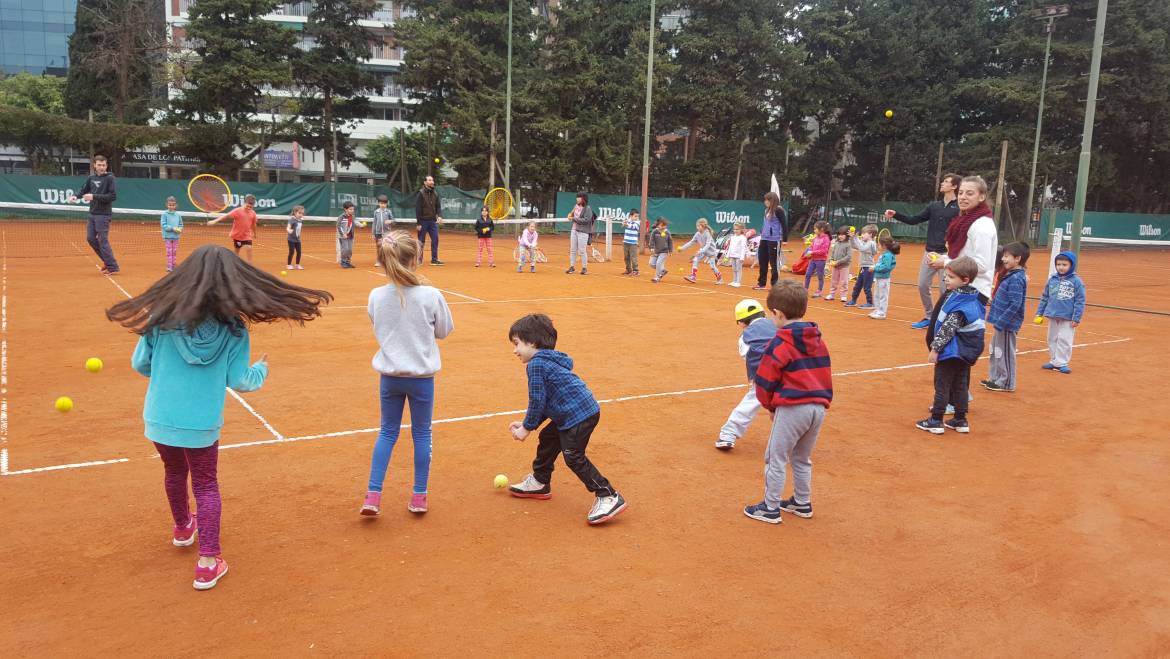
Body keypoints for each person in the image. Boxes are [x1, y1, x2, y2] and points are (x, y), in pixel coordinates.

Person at [106, 244, 331, 590]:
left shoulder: (161, 318)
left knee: (174, 471)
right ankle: (208, 561)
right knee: (206, 484)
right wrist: (262, 370)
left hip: (160, 418)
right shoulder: (235, 330)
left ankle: (183, 528)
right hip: (202, 425)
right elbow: (241, 381)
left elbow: (140, 365)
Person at [361, 231, 454, 517]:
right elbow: (444, 331)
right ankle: (419, 496)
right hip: (422, 380)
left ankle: (373, 496)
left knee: (387, 433)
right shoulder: (431, 295)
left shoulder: (376, 295)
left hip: (389, 378)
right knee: (422, 434)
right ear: (414, 259)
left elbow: (377, 323)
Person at [505, 313, 626, 525]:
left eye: (517, 344)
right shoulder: (546, 361)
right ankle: (541, 481)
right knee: (548, 438)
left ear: (532, 342)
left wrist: (525, 429)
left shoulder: (536, 365)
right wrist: (528, 425)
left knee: (573, 456)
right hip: (575, 411)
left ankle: (608, 495)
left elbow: (536, 400)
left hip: (579, 415)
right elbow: (545, 402)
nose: (514, 350)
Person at [745, 280, 832, 524]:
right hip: (818, 407)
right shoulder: (817, 339)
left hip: (793, 408)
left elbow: (765, 380)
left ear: (778, 314)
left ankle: (770, 507)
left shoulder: (781, 342)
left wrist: (771, 406)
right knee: (802, 458)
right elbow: (825, 371)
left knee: (776, 457)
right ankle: (802, 503)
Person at [917, 256, 985, 435]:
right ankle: (960, 420)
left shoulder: (959, 303)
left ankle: (936, 420)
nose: (946, 279)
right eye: (946, 276)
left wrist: (935, 349)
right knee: (960, 385)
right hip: (965, 352)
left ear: (965, 280)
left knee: (943, 385)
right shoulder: (972, 297)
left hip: (952, 352)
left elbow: (947, 329)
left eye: (951, 277)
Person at [885, 173, 962, 328]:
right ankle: (929, 316)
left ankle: (943, 319)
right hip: (930, 253)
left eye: (946, 182)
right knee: (922, 285)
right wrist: (896, 215)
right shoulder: (934, 206)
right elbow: (914, 220)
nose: (942, 183)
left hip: (947, 255)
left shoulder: (959, 207)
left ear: (954, 186)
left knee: (944, 289)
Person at [715, 298, 777, 450]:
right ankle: (792, 439)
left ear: (742, 322)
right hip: (790, 370)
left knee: (752, 400)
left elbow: (750, 356)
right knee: (786, 405)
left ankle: (728, 434)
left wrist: (754, 379)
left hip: (766, 375)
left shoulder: (745, 336)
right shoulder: (777, 324)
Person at [932, 175, 998, 305]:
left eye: (969, 193)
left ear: (982, 197)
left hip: (973, 292)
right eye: (961, 193)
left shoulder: (981, 225)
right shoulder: (965, 220)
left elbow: (981, 265)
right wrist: (945, 258)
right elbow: (965, 255)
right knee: (938, 324)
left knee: (943, 325)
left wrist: (946, 263)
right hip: (961, 289)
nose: (962, 197)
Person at [982, 242, 1029, 391]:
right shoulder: (1010, 275)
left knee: (1006, 352)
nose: (1003, 259)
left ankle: (1007, 382)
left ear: (1018, 259)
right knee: (996, 350)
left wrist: (1002, 321)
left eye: (1007, 256)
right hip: (1000, 321)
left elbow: (1015, 304)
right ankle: (995, 378)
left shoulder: (1016, 279)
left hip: (1007, 323)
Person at [1036, 250, 1086, 374]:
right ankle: (1054, 361)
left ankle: (1062, 362)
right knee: (1051, 338)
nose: (1061, 267)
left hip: (1068, 317)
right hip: (1053, 314)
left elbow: (1080, 301)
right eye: (1058, 264)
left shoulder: (1077, 282)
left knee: (1064, 339)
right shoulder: (1052, 280)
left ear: (1071, 265)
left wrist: (1076, 318)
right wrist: (1039, 313)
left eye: (1064, 265)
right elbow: (1045, 297)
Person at [70, 154, 119, 274]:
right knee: (90, 238)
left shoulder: (110, 178)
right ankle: (108, 262)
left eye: (103, 165)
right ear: (94, 165)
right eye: (99, 165)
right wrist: (75, 196)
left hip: (104, 215)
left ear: (106, 165)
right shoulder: (91, 178)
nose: (101, 167)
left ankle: (112, 267)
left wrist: (93, 196)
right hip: (92, 214)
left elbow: (112, 196)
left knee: (103, 240)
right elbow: (83, 190)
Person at [208, 194, 258, 263]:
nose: (249, 208)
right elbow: (226, 216)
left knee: (249, 248)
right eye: (248, 206)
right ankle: (234, 262)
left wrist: (254, 233)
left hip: (247, 235)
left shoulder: (253, 214)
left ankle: (250, 264)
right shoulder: (237, 211)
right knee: (237, 251)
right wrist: (215, 221)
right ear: (244, 203)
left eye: (251, 207)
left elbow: (253, 224)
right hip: (237, 235)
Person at [754, 191, 785, 290]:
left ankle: (775, 285)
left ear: (772, 200)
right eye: (765, 200)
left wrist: (785, 239)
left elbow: (784, 224)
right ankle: (761, 283)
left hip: (775, 239)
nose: (765, 202)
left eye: (767, 200)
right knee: (762, 261)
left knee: (774, 263)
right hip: (764, 238)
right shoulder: (766, 211)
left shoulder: (779, 210)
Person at [680, 217, 723, 284]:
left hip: (711, 252)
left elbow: (708, 245)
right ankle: (693, 276)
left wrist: (701, 251)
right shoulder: (697, 234)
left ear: (703, 226)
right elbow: (691, 242)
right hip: (703, 251)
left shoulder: (707, 234)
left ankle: (719, 278)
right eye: (696, 226)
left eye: (698, 226)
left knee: (712, 267)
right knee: (695, 260)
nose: (697, 227)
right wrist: (682, 248)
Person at [844, 225, 878, 308]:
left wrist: (856, 238)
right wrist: (852, 238)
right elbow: (854, 246)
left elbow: (862, 248)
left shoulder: (871, 243)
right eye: (861, 233)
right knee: (858, 285)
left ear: (870, 234)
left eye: (864, 233)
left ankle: (870, 303)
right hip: (863, 268)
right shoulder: (864, 242)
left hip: (869, 268)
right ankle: (853, 301)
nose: (862, 235)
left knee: (867, 287)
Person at [869, 234, 901, 320]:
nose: (878, 246)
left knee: (883, 295)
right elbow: (881, 264)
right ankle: (877, 310)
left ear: (884, 246)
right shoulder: (884, 254)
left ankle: (882, 313)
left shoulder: (888, 255)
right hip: (879, 277)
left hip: (884, 279)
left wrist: (874, 268)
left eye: (879, 244)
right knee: (877, 294)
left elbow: (886, 267)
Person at [415, 175, 444, 265]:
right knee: (421, 241)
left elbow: (438, 206)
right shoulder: (421, 193)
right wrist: (419, 223)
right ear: (425, 182)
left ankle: (434, 259)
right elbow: (418, 209)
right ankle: (419, 260)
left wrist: (439, 216)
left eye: (432, 180)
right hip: (423, 221)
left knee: (435, 239)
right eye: (430, 180)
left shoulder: (435, 193)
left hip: (432, 221)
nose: (432, 182)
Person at [565, 193, 593, 275]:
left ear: (583, 198)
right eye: (577, 197)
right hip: (574, 230)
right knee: (573, 250)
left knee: (582, 251)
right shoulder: (575, 206)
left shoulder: (587, 208)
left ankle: (584, 268)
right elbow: (571, 214)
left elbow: (586, 220)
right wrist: (569, 215)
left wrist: (574, 219)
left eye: (579, 197)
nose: (577, 199)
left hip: (583, 232)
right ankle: (572, 267)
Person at [803, 221, 831, 297]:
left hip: (821, 260)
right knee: (808, 274)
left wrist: (812, 252)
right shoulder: (815, 238)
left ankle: (819, 291)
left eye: (815, 229)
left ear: (821, 229)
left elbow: (824, 251)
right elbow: (812, 246)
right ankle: (805, 289)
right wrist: (808, 252)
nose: (814, 230)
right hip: (813, 260)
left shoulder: (826, 239)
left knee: (820, 275)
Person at [825, 226, 851, 301]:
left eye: (843, 235)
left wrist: (838, 262)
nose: (840, 236)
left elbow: (848, 256)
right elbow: (833, 253)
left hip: (844, 266)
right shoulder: (836, 243)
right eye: (839, 234)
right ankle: (831, 294)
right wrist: (831, 260)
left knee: (844, 281)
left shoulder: (848, 244)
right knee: (834, 281)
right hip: (835, 266)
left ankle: (844, 295)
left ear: (847, 235)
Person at [336, 201, 362, 269]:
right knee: (345, 249)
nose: (352, 211)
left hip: (350, 236)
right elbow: (338, 226)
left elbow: (356, 222)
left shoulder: (352, 216)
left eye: (353, 209)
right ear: (345, 209)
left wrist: (361, 225)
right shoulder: (341, 217)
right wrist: (343, 234)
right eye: (350, 209)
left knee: (350, 250)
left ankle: (348, 262)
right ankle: (343, 262)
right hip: (343, 236)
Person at [160, 196, 184, 273]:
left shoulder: (178, 215)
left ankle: (173, 265)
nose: (171, 206)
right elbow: (164, 225)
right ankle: (169, 266)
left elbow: (181, 224)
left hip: (176, 237)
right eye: (170, 205)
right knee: (169, 252)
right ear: (167, 205)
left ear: (175, 205)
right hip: (168, 237)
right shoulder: (164, 214)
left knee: (174, 251)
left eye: (173, 205)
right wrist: (173, 228)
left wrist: (179, 229)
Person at [647, 217, 673, 282]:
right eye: (662, 225)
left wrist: (670, 251)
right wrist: (652, 248)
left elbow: (670, 242)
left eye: (665, 225)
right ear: (658, 225)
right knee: (651, 264)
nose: (664, 227)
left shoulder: (667, 233)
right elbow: (651, 240)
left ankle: (657, 277)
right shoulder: (655, 231)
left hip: (664, 251)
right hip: (656, 251)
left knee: (658, 263)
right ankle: (662, 270)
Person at [372, 194, 395, 267]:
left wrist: (390, 221)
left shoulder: (388, 212)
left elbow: (394, 221)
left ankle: (388, 260)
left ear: (387, 203)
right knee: (379, 247)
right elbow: (374, 223)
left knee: (387, 247)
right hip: (378, 233)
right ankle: (379, 260)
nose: (383, 205)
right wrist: (373, 233)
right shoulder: (376, 212)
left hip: (387, 233)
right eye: (381, 203)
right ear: (378, 203)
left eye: (384, 203)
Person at [726, 222, 748, 288]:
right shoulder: (732, 237)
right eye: (735, 229)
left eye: (737, 229)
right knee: (734, 269)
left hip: (739, 257)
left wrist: (742, 257)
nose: (735, 230)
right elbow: (730, 247)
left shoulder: (743, 238)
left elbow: (743, 248)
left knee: (738, 269)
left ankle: (738, 282)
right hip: (732, 256)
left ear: (741, 230)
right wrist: (727, 256)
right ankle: (734, 281)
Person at [621, 209, 641, 276]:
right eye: (635, 216)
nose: (637, 218)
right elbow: (623, 224)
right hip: (626, 242)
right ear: (631, 216)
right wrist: (624, 223)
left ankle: (636, 270)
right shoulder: (628, 220)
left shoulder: (638, 222)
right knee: (626, 257)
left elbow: (634, 227)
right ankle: (629, 270)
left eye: (637, 216)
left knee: (633, 257)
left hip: (633, 243)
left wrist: (627, 225)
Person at [286, 205, 305, 270]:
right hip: (291, 239)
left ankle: (297, 265)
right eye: (299, 213)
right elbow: (288, 226)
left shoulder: (301, 220)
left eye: (302, 213)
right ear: (295, 212)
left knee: (299, 252)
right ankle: (288, 265)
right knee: (291, 252)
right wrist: (288, 230)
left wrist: (300, 218)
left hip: (298, 240)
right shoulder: (292, 219)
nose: (301, 214)